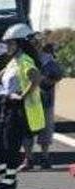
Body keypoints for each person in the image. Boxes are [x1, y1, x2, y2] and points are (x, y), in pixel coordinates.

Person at [0, 23, 45, 189]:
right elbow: (2, 79)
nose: (7, 46)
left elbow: (35, 78)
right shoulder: (14, 61)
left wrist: (22, 95)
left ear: (20, 44)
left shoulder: (25, 61)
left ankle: (8, 184)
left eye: (10, 43)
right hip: (6, 107)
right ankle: (4, 177)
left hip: (18, 110)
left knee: (10, 146)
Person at [21, 37, 62, 170]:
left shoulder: (47, 60)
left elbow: (57, 75)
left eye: (37, 44)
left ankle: (44, 157)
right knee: (27, 131)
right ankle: (28, 159)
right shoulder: (24, 59)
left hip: (45, 101)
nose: (35, 46)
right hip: (29, 101)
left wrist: (43, 81)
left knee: (45, 131)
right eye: (32, 44)